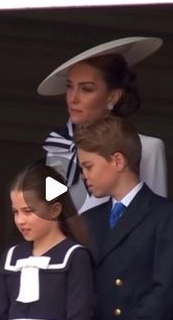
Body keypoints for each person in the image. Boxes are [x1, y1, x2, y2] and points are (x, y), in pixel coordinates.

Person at [73, 115, 173, 320]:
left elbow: (165, 291)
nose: (84, 175)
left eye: (89, 166)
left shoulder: (164, 216)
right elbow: (74, 292)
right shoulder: (87, 221)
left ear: (118, 161)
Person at [0, 163, 93, 320]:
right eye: (16, 212)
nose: (20, 220)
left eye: (28, 211)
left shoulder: (74, 256)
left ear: (55, 209)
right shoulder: (12, 256)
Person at [38, 36, 167, 213]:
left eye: (86, 89)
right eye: (70, 86)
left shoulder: (148, 148)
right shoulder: (58, 145)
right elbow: (53, 215)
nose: (73, 98)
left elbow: (156, 218)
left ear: (112, 96)